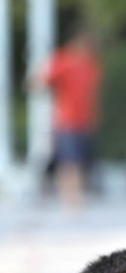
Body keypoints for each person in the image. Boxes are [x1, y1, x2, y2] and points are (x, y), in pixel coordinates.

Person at [33, 28, 103, 208]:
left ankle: (76, 195)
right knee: (69, 161)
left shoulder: (91, 64)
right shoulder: (63, 60)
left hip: (86, 120)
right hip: (68, 120)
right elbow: (40, 82)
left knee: (81, 161)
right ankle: (71, 197)